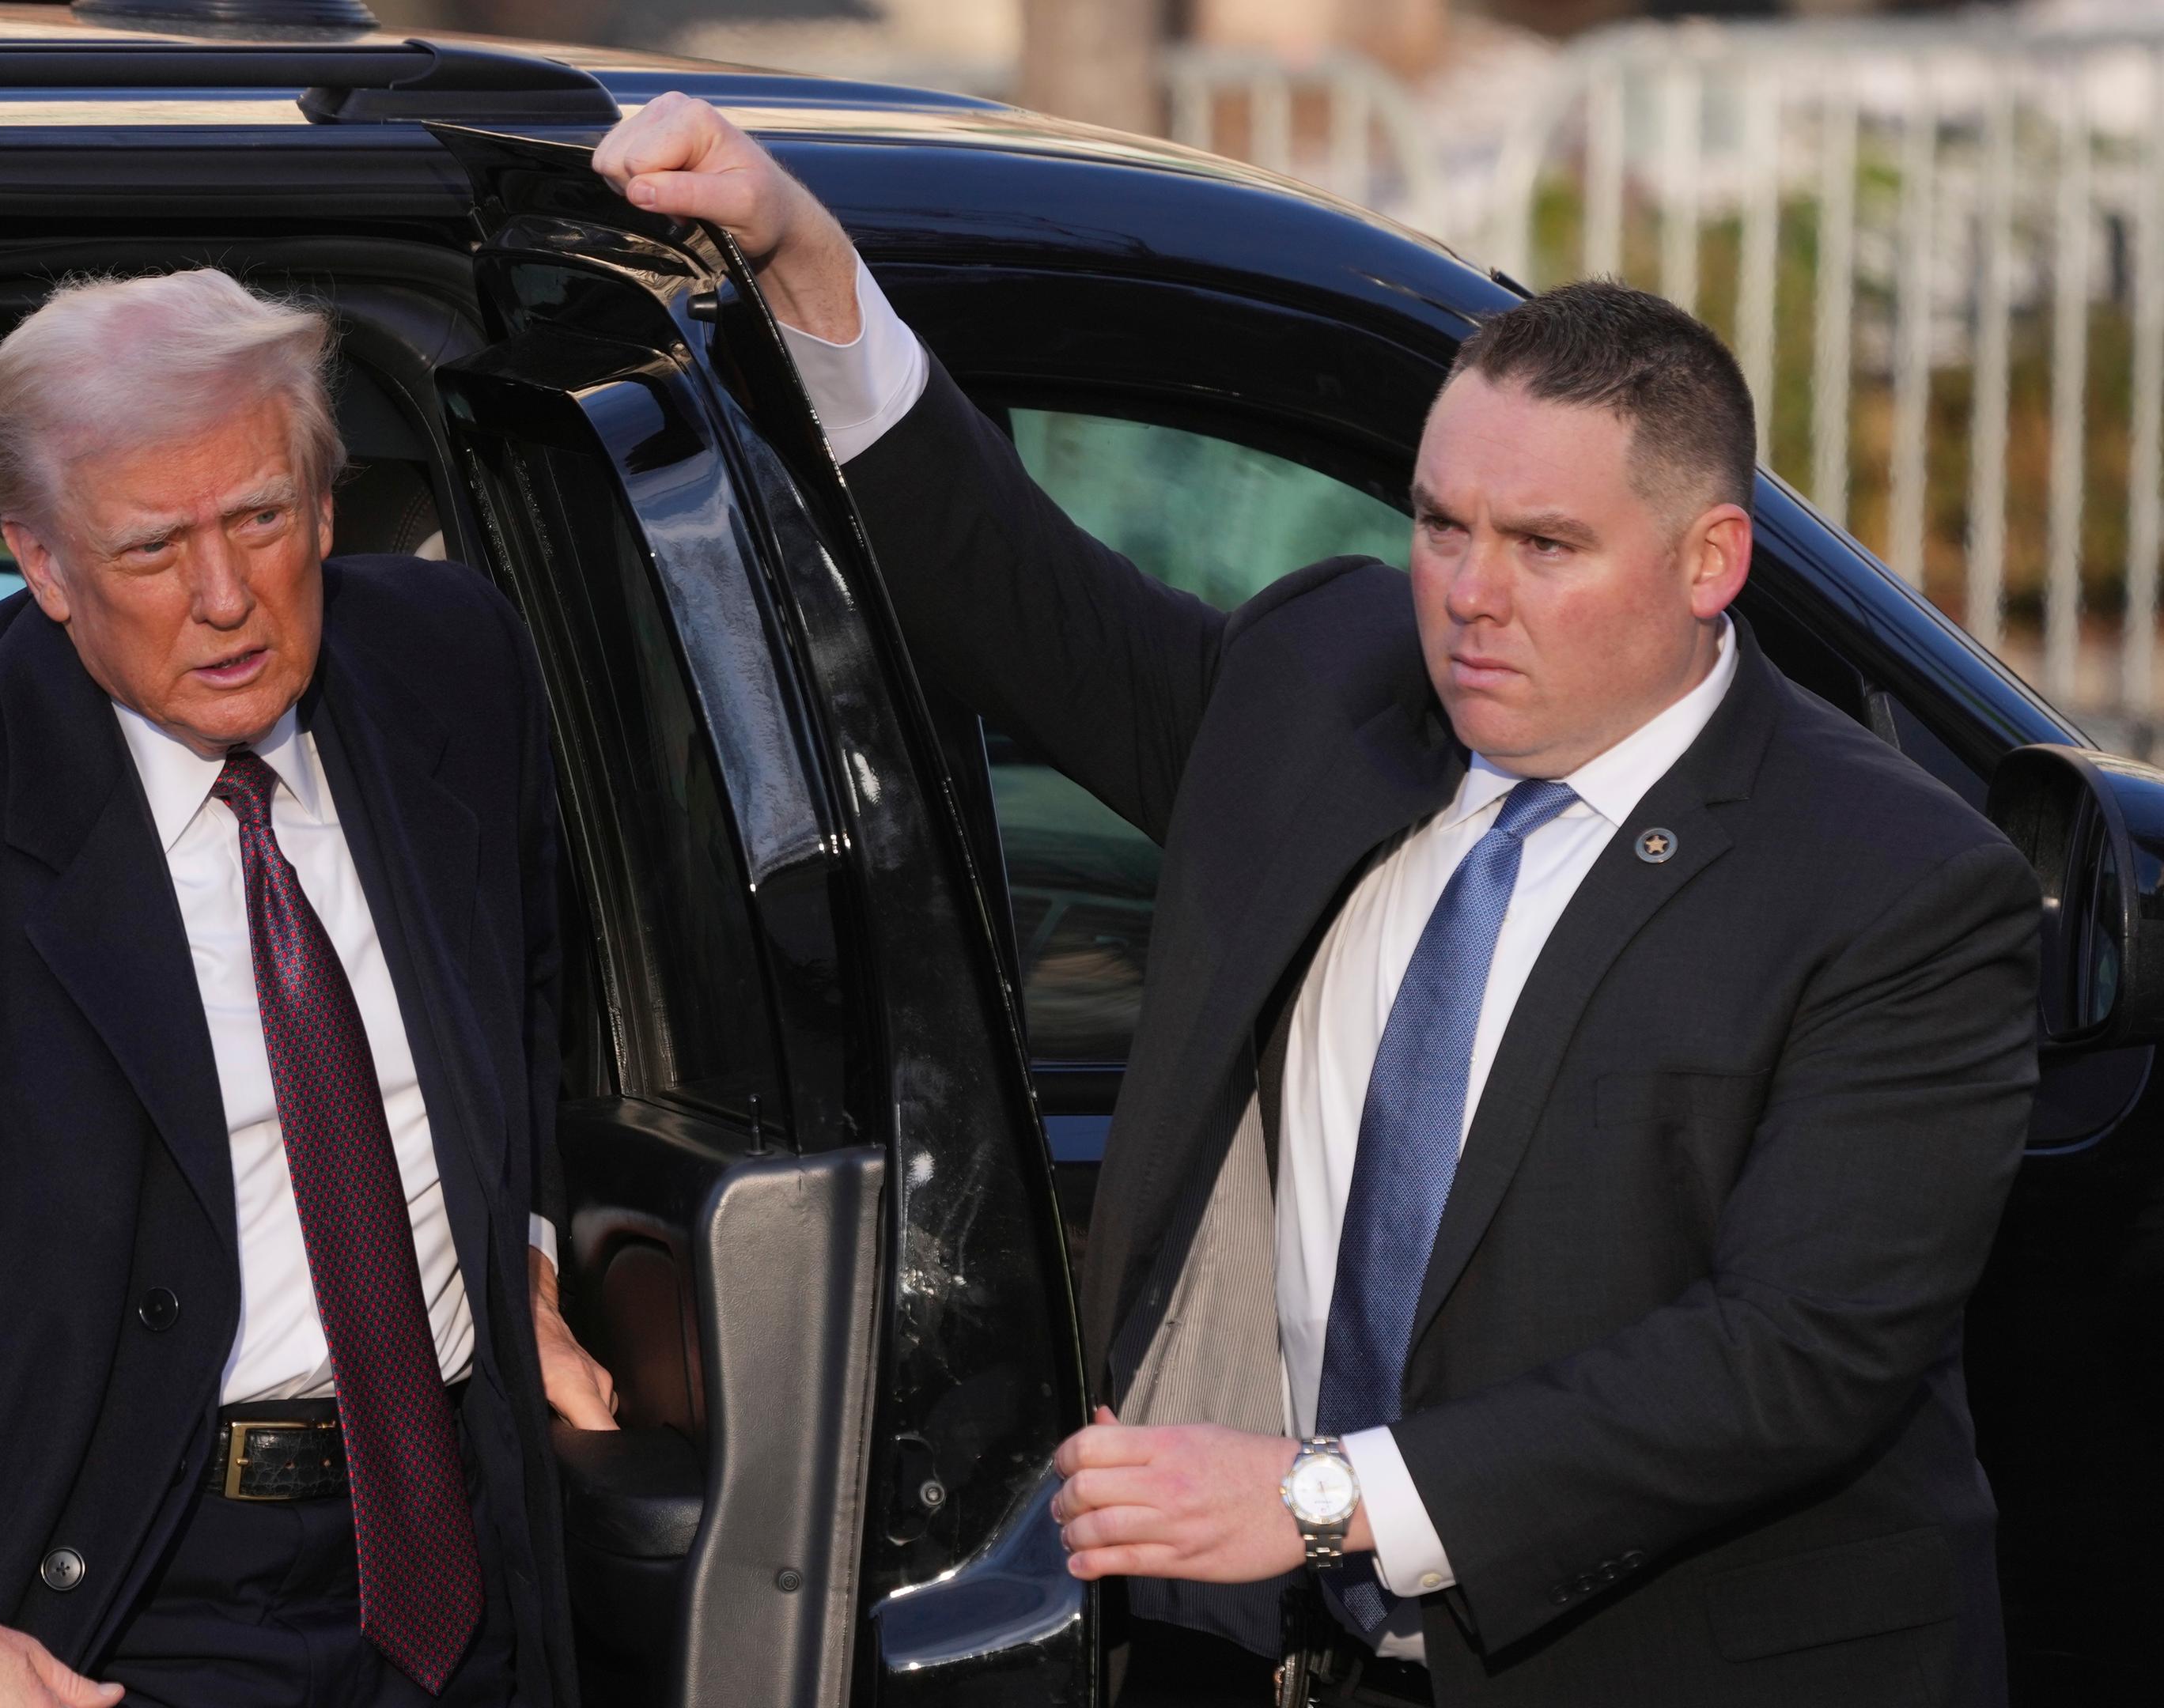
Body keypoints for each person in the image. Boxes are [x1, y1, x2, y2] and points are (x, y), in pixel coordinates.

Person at [594, 96, 2040, 1707]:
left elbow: (1794, 1360)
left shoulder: (1896, 881)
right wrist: (805, 255)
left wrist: (1316, 1502)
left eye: (1544, 544)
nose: (1471, 593)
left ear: (1712, 561)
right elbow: (1018, 595)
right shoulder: (1328, 683)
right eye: (1440, 523)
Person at [0, 271, 616, 1708]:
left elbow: (516, 1001)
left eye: (260, 518)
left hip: (468, 1550)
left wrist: (516, 1256)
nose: (222, 597)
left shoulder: (456, 667)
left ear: (325, 504)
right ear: (44, 563)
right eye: (150, 549)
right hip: (118, 1600)